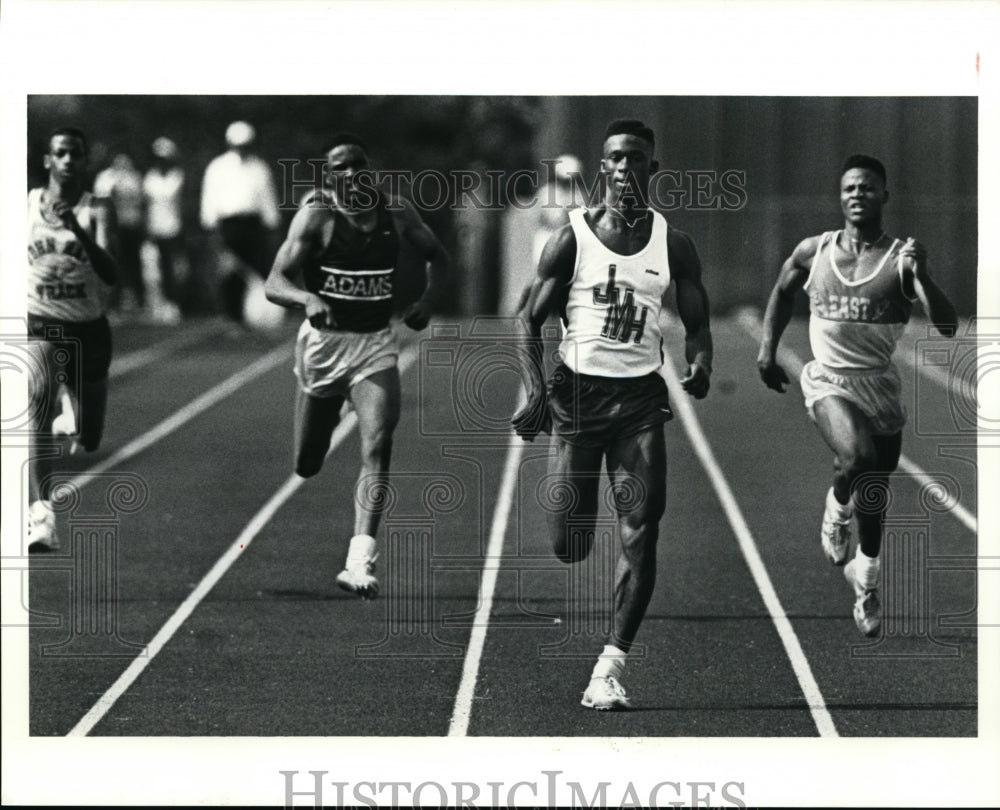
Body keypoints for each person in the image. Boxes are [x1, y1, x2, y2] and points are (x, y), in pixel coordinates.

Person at [512, 120, 713, 710]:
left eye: (636, 160)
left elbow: (698, 325)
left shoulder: (673, 244)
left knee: (641, 532)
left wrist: (701, 362)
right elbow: (529, 317)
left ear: (652, 170)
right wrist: (533, 391)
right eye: (616, 159)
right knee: (569, 544)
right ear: (606, 167)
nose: (625, 169)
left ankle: (610, 663)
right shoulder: (572, 237)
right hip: (577, 397)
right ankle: (576, 517)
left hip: (640, 403)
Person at [756, 154, 957, 637]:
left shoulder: (900, 260)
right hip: (827, 378)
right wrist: (767, 349)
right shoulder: (815, 251)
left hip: (879, 386)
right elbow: (784, 290)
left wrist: (923, 274)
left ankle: (865, 581)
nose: (857, 194)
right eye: (849, 187)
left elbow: (948, 326)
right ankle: (834, 511)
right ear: (840, 196)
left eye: (867, 187)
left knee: (874, 494)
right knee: (858, 456)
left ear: (883, 196)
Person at [264, 133, 449, 598]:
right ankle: (331, 406)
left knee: (378, 443)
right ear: (329, 179)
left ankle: (359, 560)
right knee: (307, 463)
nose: (351, 175)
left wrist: (428, 300)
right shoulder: (318, 217)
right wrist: (306, 297)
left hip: (374, 346)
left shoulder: (397, 213)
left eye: (357, 166)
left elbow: (439, 258)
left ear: (370, 171)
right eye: (339, 169)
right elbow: (274, 281)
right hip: (324, 349)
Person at [26, 126, 118, 551]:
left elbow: (112, 273)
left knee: (90, 436)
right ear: (48, 160)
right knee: (38, 407)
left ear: (84, 161)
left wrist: (76, 228)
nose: (67, 161)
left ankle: (73, 408)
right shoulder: (24, 205)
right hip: (41, 323)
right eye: (60, 153)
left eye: (75, 154)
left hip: (89, 329)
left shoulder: (96, 207)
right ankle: (42, 516)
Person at [200, 120, 281, 323]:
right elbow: (210, 198)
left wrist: (272, 224)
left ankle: (255, 315)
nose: (242, 149)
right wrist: (211, 227)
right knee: (230, 271)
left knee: (258, 268)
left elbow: (267, 197)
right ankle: (233, 314)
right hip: (229, 225)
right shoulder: (217, 167)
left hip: (253, 225)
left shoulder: (259, 167)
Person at [141, 136, 188, 323]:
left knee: (175, 270)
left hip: (174, 228)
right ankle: (157, 306)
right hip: (155, 229)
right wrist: (147, 229)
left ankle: (175, 305)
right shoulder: (149, 178)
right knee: (155, 270)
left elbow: (181, 204)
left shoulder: (178, 176)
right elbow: (146, 205)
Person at [93, 151, 144, 315]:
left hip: (131, 226)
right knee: (114, 264)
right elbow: (102, 200)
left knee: (133, 264)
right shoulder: (105, 178)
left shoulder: (134, 178)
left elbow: (138, 200)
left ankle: (136, 300)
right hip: (112, 227)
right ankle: (112, 302)